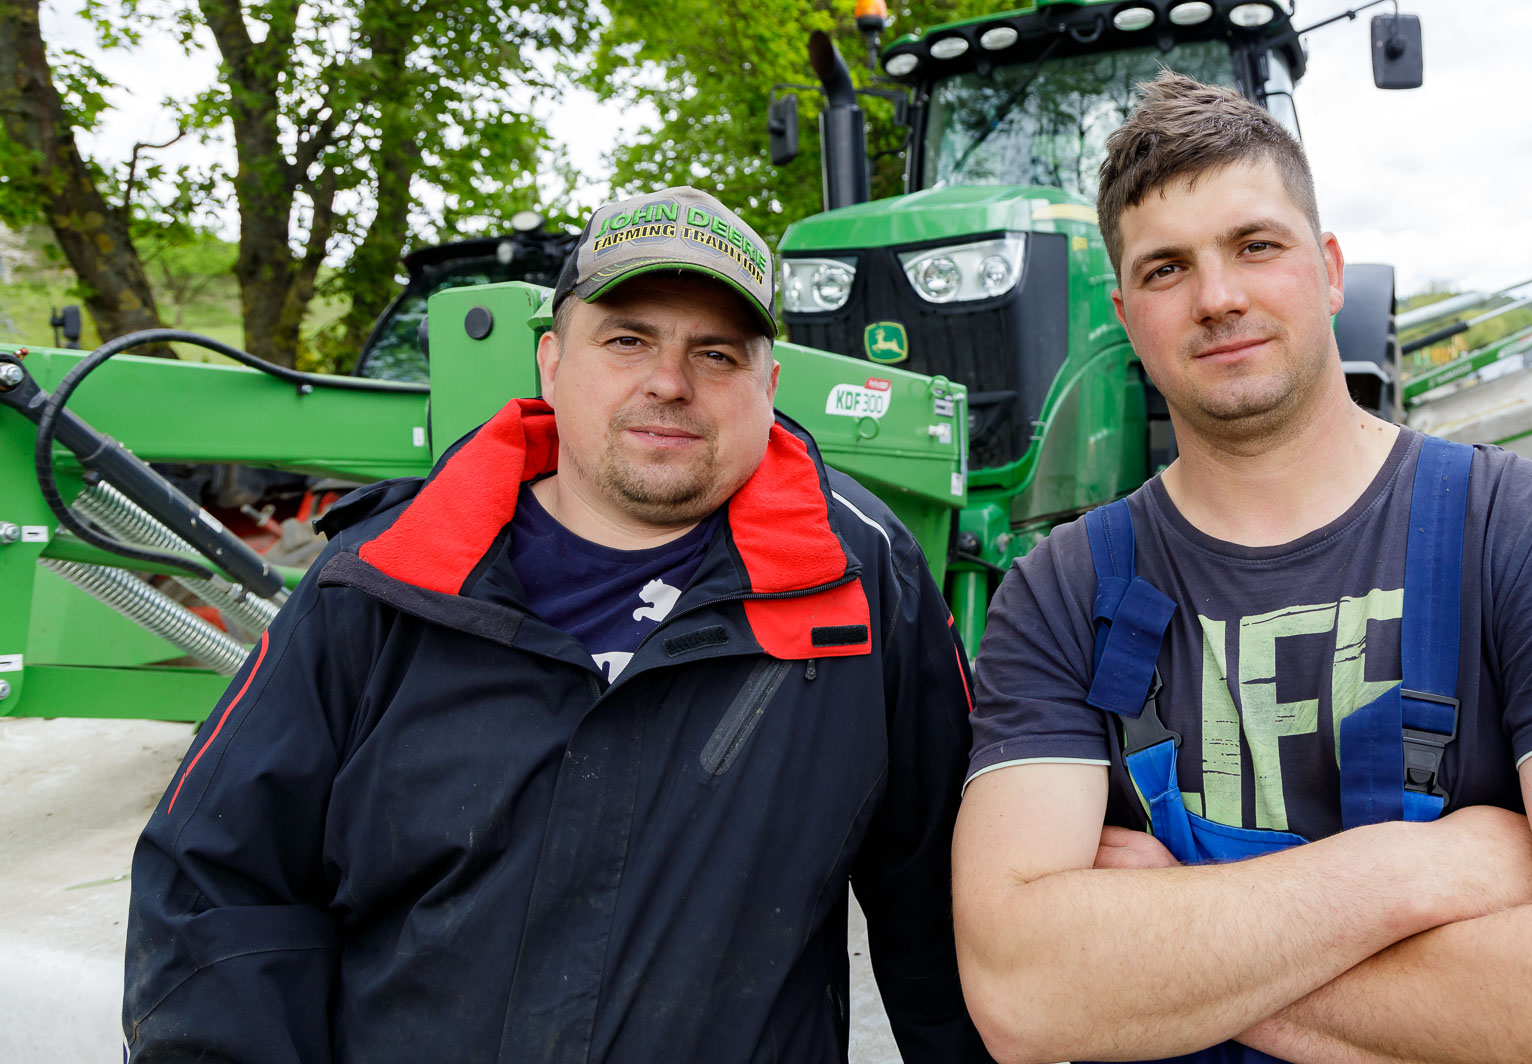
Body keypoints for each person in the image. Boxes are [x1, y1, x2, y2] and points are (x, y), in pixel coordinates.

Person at [952, 72, 1532, 1064]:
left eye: (1256, 245)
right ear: (1123, 312)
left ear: (1330, 272)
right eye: (1166, 269)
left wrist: (1162, 954)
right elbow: (1023, 992)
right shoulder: (1060, 593)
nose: (1219, 297)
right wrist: (1423, 871)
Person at [124, 186, 989, 1063]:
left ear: (767, 386)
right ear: (551, 362)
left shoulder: (860, 577)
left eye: (716, 354)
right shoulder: (384, 577)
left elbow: (947, 902)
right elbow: (215, 885)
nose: (669, 381)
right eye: (627, 340)